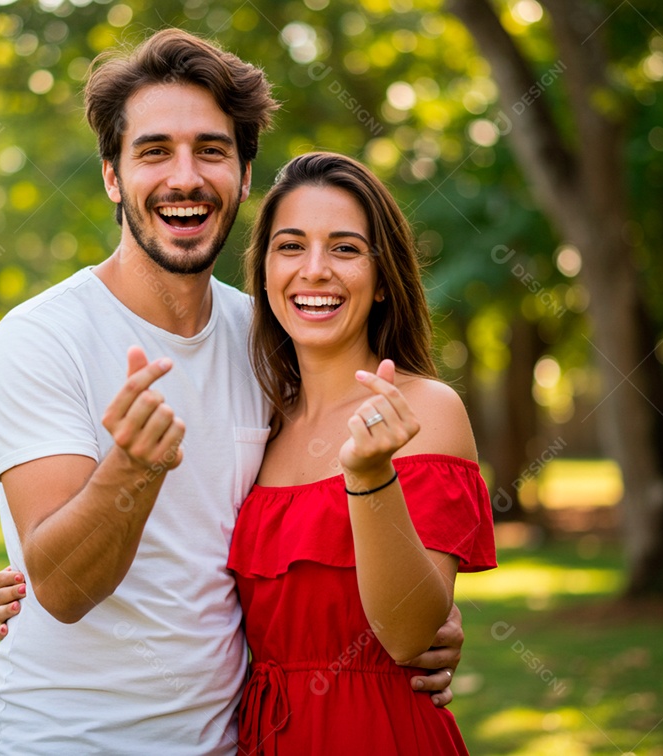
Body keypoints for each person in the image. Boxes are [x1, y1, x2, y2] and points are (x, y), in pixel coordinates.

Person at [0, 29, 463, 754]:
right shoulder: (42, 337)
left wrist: (422, 622)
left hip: (234, 740)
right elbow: (64, 588)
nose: (185, 177)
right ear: (112, 176)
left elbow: (311, 525)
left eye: (211, 150)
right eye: (153, 152)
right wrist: (132, 472)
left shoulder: (270, 341)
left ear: (242, 178)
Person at [228, 151, 496, 754]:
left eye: (345, 249)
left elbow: (408, 634)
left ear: (381, 280)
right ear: (264, 271)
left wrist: (371, 476)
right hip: (264, 736)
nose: (315, 270)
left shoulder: (425, 410)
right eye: (290, 246)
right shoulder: (258, 420)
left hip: (379, 733)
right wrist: (29, 581)